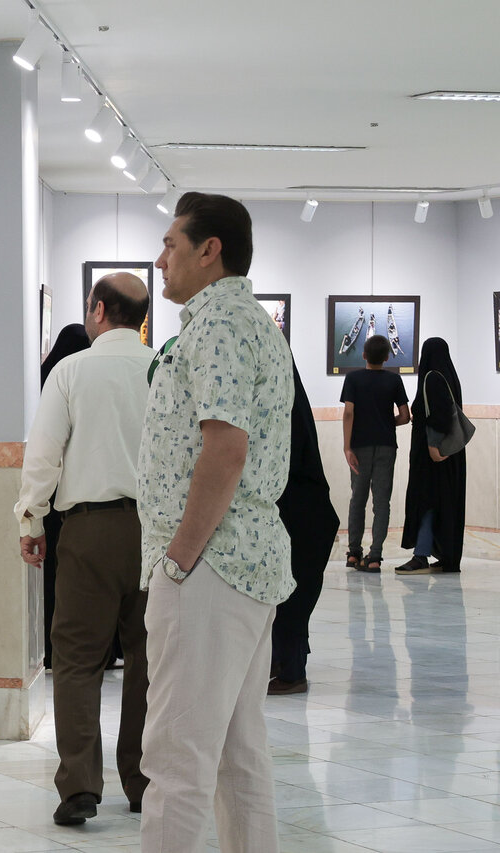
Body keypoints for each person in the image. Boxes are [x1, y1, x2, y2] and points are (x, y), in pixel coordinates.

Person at [137, 192, 294, 853]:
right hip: (241, 564)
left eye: (170, 244)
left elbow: (226, 449)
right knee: (236, 753)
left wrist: (178, 558)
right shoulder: (247, 322)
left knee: (177, 758)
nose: (160, 259)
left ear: (210, 250)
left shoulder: (220, 326)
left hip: (211, 566)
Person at [16, 273, 153, 826]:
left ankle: (79, 786)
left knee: (75, 658)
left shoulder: (70, 371)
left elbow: (44, 454)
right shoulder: (164, 369)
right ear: (141, 317)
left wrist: (31, 518)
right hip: (157, 532)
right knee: (148, 659)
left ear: (97, 310)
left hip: (88, 530)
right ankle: (143, 780)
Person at [269, 361, 340, 695]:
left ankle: (292, 672)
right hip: (304, 509)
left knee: (290, 600)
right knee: (289, 599)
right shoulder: (290, 402)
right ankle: (283, 664)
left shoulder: (278, 411)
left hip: (299, 512)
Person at [37, 323, 92, 669]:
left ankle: (52, 648)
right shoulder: (83, 380)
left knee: (55, 577)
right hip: (80, 495)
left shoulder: (45, 380)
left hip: (54, 497)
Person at [340, 334, 410, 572]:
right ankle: (375, 557)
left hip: (359, 446)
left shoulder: (353, 378)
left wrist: (347, 446)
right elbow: (405, 416)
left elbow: (349, 413)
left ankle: (354, 553)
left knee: (357, 499)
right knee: (381, 502)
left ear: (364, 355)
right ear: (387, 358)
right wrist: (386, 423)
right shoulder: (394, 380)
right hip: (386, 446)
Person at [397, 337, 467, 574]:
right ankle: (446, 554)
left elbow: (438, 417)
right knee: (443, 503)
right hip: (451, 454)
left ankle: (421, 555)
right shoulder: (449, 376)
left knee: (425, 501)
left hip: (432, 456)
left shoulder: (432, 378)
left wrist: (433, 449)